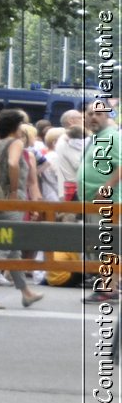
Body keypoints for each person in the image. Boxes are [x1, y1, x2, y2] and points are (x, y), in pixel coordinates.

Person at [0, 109, 45, 309]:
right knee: (3, 246)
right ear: (17, 127)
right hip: (10, 200)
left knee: (11, 248)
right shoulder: (15, 143)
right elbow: (13, 163)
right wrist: (14, 192)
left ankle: (26, 292)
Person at [81, 100, 119, 303]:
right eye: (89, 114)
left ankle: (108, 289)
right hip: (95, 202)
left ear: (108, 116)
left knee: (107, 245)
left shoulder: (111, 136)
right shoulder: (97, 137)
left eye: (98, 114)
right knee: (102, 245)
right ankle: (108, 286)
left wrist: (105, 189)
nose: (93, 117)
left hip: (107, 202)